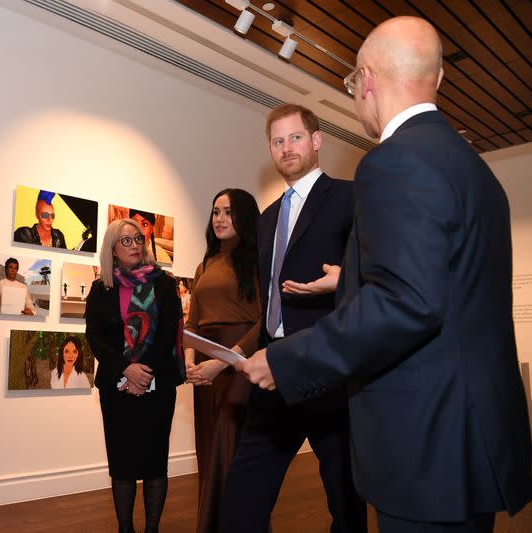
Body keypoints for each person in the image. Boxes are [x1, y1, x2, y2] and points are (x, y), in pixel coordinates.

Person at [237, 16, 532, 532]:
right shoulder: (476, 170)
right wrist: (347, 284)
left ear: (366, 81)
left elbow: (406, 303)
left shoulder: (394, 163)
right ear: (435, 80)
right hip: (469, 440)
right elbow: (444, 289)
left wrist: (285, 359)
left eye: (353, 84)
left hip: (423, 444)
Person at [220, 104, 366, 533]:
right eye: (278, 141)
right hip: (275, 370)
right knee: (242, 498)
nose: (287, 148)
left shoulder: (350, 197)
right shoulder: (267, 220)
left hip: (328, 371)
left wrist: (344, 281)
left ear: (316, 141)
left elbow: (382, 278)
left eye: (296, 137)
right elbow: (267, 303)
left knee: (346, 502)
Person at [85, 218, 185, 533]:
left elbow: (168, 333)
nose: (135, 245)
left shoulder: (165, 284)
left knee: (155, 461)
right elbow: (95, 337)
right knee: (123, 463)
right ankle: (125, 528)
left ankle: (152, 528)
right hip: (116, 387)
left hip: (159, 384)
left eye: (138, 238)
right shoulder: (101, 288)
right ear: (112, 248)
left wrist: (143, 373)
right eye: (126, 240)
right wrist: (126, 369)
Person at [183, 188, 261, 533]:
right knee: (208, 444)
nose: (220, 218)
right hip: (202, 364)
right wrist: (189, 360)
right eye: (216, 211)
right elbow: (192, 323)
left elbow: (265, 323)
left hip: (239, 361)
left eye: (228, 212)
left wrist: (223, 362)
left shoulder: (259, 261)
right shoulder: (204, 264)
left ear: (243, 217)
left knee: (228, 446)